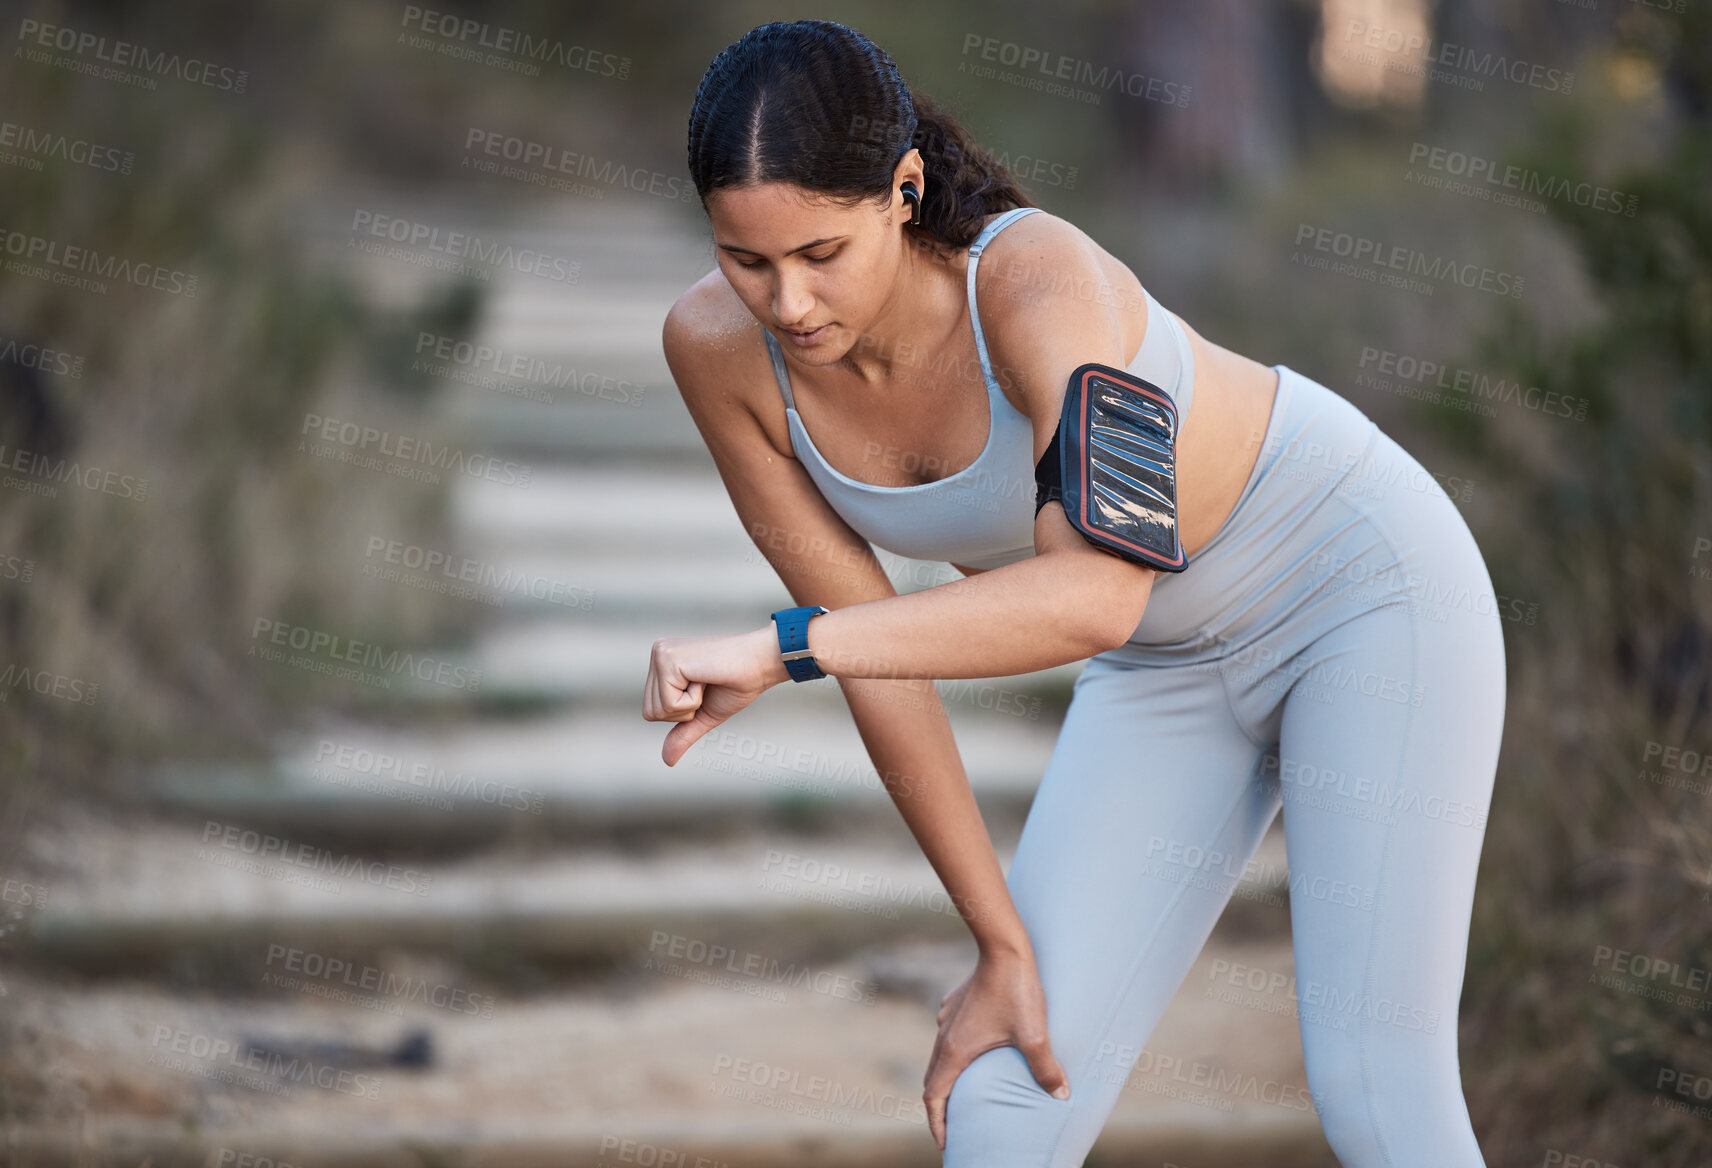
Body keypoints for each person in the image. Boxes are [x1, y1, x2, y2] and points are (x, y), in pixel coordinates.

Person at [645, 19, 1505, 1167]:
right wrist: (997, 943)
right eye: (747, 261)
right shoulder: (711, 348)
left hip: (1358, 585)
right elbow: (882, 666)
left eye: (820, 253)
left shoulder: (1041, 282)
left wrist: (784, 648)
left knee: (1372, 1087)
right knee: (1006, 1101)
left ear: (901, 192)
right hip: (1163, 666)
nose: (788, 304)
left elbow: (1094, 593)